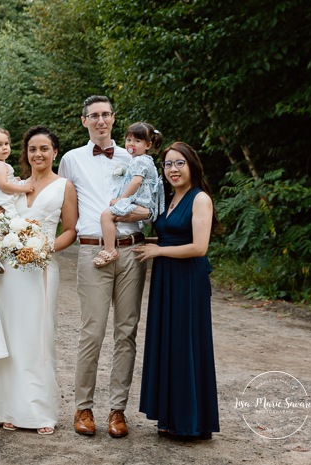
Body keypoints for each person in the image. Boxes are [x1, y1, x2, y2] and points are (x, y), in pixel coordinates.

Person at [0, 126, 78, 435]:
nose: (38, 154)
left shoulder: (64, 186)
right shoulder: (14, 185)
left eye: (44, 148)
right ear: (25, 154)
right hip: (9, 271)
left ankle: (38, 411)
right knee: (9, 336)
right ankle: (8, 408)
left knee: (37, 337)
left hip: (40, 268)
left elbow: (70, 231)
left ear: (54, 152)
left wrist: (44, 247)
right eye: (32, 149)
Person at [58, 95, 151, 438]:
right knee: (92, 331)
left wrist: (136, 212)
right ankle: (83, 407)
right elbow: (63, 206)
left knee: (126, 332)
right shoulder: (71, 160)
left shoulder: (134, 156)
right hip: (92, 251)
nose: (101, 120)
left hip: (132, 250)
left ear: (114, 118)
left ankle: (117, 410)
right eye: (94, 115)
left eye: (106, 114)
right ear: (84, 121)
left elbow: (151, 203)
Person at [132, 142, 221, 440]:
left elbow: (199, 246)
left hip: (187, 279)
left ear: (192, 165)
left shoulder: (200, 199)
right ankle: (169, 417)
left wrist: (159, 252)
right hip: (166, 277)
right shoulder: (169, 198)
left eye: (179, 163)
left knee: (186, 343)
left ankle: (191, 421)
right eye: (168, 164)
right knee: (168, 341)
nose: (173, 169)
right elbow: (170, 234)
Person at [95, 122, 164, 267]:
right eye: (129, 140)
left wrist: (121, 199)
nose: (131, 144)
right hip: (143, 201)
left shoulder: (139, 161)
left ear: (148, 145)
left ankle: (110, 250)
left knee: (106, 216)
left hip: (140, 201)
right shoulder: (144, 160)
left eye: (137, 141)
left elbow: (136, 182)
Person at [0, 126, 34, 278]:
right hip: (2, 202)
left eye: (6, 144)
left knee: (5, 232)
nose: (4, 148)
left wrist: (13, 180)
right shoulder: (0, 165)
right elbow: (3, 185)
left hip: (0, 200)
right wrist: (23, 188)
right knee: (9, 230)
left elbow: (4, 181)